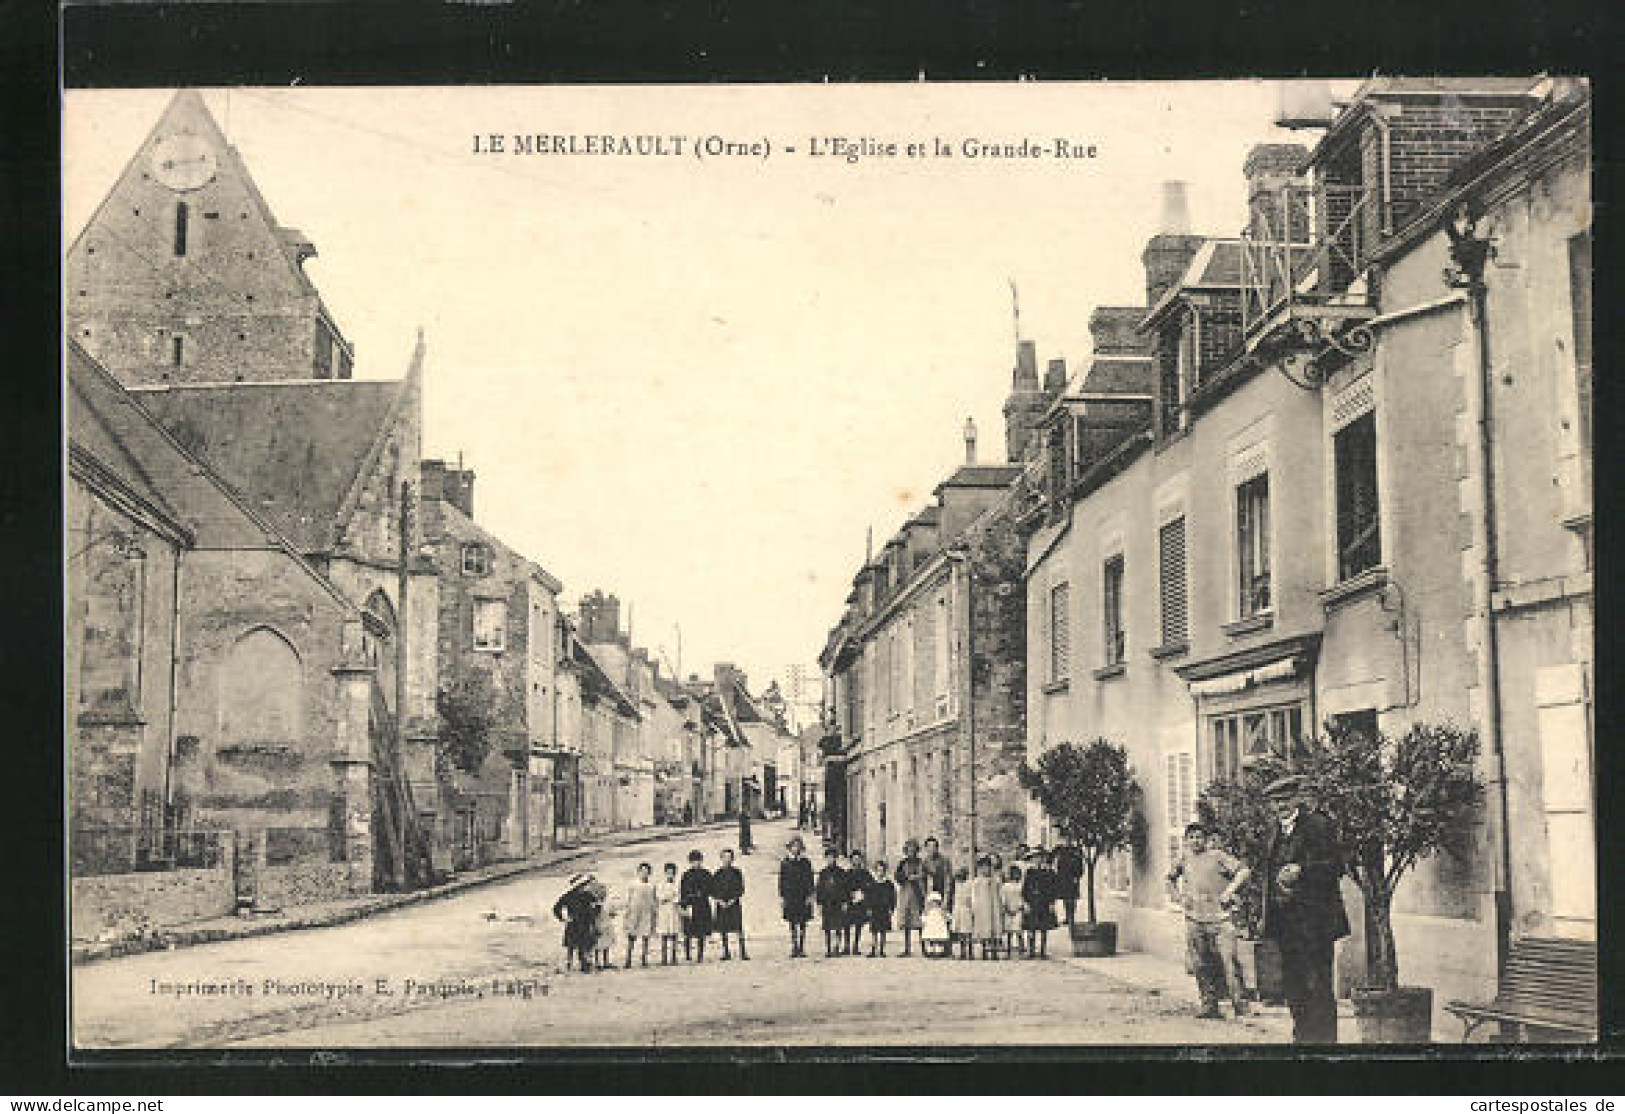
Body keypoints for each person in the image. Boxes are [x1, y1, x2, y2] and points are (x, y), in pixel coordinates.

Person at [1260, 777, 1349, 1044]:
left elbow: (1336, 866)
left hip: (1316, 923)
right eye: (1275, 802)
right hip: (1286, 923)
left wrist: (1303, 870)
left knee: (1318, 984)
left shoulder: (1318, 826)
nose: (1281, 806)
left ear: (1297, 799)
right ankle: (1302, 1038)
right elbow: (1266, 873)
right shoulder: (1273, 830)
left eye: (1285, 800)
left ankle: (1325, 1043)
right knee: (1293, 983)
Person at [1167, 823, 1251, 1019]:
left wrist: (1229, 891)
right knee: (1200, 964)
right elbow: (1169, 879)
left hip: (1221, 919)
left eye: (1199, 837)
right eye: (1192, 837)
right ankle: (1209, 1005)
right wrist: (1178, 898)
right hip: (1195, 919)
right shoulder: (1184, 859)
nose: (1196, 841)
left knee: (1229, 963)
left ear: (1206, 839)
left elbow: (1244, 871)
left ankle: (1241, 1005)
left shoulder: (1217, 856)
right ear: (1186, 841)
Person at [552, 872, 601, 973]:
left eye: (584, 884)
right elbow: (556, 908)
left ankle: (583, 964)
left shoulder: (587, 895)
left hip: (584, 923)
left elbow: (598, 905)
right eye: (582, 885)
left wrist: (593, 915)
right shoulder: (569, 896)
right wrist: (563, 919)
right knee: (572, 945)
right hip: (574, 923)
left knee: (582, 945)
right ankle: (570, 963)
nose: (584, 887)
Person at [779, 836, 816, 958]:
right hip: (791, 896)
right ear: (790, 848)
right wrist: (782, 897)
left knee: (803, 922)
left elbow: (810, 879)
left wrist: (810, 895)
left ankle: (801, 946)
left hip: (803, 896)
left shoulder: (806, 863)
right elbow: (782, 881)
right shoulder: (785, 863)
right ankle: (794, 946)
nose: (796, 849)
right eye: (793, 846)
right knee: (792, 922)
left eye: (798, 846)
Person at [712, 847, 749, 960]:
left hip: (734, 903)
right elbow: (713, 890)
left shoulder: (737, 872)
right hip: (721, 904)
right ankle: (726, 951)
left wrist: (733, 900)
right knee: (723, 928)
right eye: (725, 857)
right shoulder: (717, 873)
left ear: (732, 859)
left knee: (738, 927)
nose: (727, 860)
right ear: (721, 858)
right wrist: (720, 901)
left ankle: (743, 952)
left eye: (729, 857)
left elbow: (741, 888)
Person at [893, 839, 929, 957]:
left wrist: (918, 878)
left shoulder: (921, 863)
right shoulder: (902, 863)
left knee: (919, 922)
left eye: (913, 850)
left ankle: (924, 948)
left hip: (917, 894)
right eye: (908, 850)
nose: (911, 852)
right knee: (906, 922)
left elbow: (925, 876)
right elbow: (897, 876)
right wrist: (906, 877)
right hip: (905, 894)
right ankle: (907, 948)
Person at [1022, 850, 1059, 958]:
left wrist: (1052, 903)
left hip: (1044, 902)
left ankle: (1043, 950)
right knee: (1031, 927)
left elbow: (1053, 889)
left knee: (1044, 927)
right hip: (1033, 901)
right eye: (1036, 858)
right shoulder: (1030, 872)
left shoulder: (1049, 873)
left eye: (1041, 858)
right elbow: (1025, 889)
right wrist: (1026, 903)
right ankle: (1031, 950)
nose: (1038, 860)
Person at [679, 848, 714, 963]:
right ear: (690, 862)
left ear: (701, 861)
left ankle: (700, 954)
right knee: (688, 931)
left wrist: (702, 893)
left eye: (698, 861)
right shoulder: (686, 875)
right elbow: (683, 891)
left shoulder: (706, 874)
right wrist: (684, 905)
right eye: (694, 861)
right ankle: (688, 954)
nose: (696, 863)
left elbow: (711, 889)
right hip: (690, 904)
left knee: (701, 931)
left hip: (702, 905)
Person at [624, 862, 659, 969]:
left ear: (649, 873)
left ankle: (644, 959)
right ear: (638, 872)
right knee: (631, 936)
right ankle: (628, 960)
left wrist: (654, 913)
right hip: (635, 912)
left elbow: (653, 900)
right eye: (642, 871)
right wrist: (627, 913)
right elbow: (629, 899)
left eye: (646, 872)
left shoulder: (651, 885)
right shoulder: (633, 884)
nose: (644, 874)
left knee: (645, 936)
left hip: (646, 912)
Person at [969, 855, 1003, 960]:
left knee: (994, 928)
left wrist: (1001, 905)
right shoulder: (977, 882)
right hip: (982, 908)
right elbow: (974, 895)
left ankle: (994, 951)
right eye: (983, 867)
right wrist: (974, 907)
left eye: (988, 867)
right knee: (983, 929)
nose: (985, 870)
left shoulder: (996, 880)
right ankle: (984, 950)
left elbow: (1000, 894)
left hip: (993, 906)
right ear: (979, 869)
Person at [815, 847, 848, 957]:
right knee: (827, 927)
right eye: (828, 857)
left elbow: (844, 889)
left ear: (836, 858)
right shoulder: (823, 873)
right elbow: (819, 889)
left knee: (838, 926)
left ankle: (837, 947)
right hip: (827, 903)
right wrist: (819, 903)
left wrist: (844, 902)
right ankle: (828, 948)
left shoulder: (841, 872)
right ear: (826, 859)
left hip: (838, 903)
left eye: (833, 857)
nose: (831, 860)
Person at [866, 857, 897, 957]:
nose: (880, 872)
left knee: (883, 931)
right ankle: (873, 949)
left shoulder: (888, 883)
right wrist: (869, 908)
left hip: (884, 909)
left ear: (885, 871)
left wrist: (891, 908)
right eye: (878, 870)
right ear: (875, 870)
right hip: (875, 909)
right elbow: (868, 897)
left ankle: (882, 950)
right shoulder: (872, 883)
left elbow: (893, 897)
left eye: (882, 870)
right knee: (874, 931)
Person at [843, 850, 872, 958]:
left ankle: (855, 946)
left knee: (858, 924)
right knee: (847, 924)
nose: (856, 861)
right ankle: (846, 946)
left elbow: (870, 886)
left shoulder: (865, 873)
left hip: (861, 902)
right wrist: (846, 899)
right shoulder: (847, 873)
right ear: (851, 861)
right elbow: (844, 888)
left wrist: (864, 893)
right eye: (854, 859)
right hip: (850, 901)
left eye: (858, 859)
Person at [654, 861, 683, 965]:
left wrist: (671, 898)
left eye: (672, 872)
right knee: (664, 934)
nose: (670, 874)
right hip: (663, 910)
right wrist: (667, 897)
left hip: (673, 910)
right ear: (665, 872)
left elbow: (678, 897)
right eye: (668, 872)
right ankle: (664, 958)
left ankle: (674, 958)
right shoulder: (660, 884)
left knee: (674, 933)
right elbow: (659, 897)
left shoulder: (677, 884)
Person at [1054, 840, 1085, 926]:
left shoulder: (1076, 851)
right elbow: (1055, 861)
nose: (1067, 841)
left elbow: (1080, 866)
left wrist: (1077, 876)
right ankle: (1068, 917)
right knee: (1065, 898)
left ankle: (1071, 917)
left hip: (1072, 878)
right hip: (1062, 878)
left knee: (1072, 899)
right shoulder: (1061, 850)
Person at [1000, 864, 1026, 958]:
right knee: (1009, 932)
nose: (1015, 875)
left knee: (1019, 930)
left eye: (1017, 874)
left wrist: (1020, 907)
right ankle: (1008, 950)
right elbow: (1003, 899)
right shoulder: (1005, 886)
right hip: (1008, 910)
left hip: (1018, 910)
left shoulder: (1021, 886)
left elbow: (1022, 898)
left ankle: (1021, 949)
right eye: (1013, 873)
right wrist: (1006, 909)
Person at [593, 882, 620, 972]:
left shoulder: (608, 903)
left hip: (607, 925)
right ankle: (597, 962)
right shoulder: (595, 904)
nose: (602, 894)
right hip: (598, 925)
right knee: (597, 945)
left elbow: (613, 913)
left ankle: (606, 961)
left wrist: (612, 913)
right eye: (600, 892)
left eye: (604, 892)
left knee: (606, 944)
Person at [921, 837, 954, 909]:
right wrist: (925, 899)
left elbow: (948, 881)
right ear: (926, 848)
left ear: (937, 848)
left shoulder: (945, 861)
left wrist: (946, 900)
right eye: (929, 847)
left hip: (943, 893)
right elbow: (923, 882)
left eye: (934, 846)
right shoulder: (925, 863)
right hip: (931, 896)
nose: (931, 849)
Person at [950, 866, 974, 960]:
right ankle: (963, 951)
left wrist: (972, 909)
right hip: (957, 909)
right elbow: (954, 897)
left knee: (967, 932)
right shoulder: (956, 885)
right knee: (960, 932)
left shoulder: (970, 884)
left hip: (966, 909)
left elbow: (972, 898)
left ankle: (970, 952)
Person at [920, 891, 952, 958]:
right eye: (932, 902)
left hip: (938, 927)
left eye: (936, 902)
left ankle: (938, 952)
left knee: (938, 941)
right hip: (931, 927)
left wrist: (948, 918)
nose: (934, 904)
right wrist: (923, 920)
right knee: (931, 941)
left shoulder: (941, 911)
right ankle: (930, 952)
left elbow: (947, 916)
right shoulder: (928, 911)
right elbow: (924, 917)